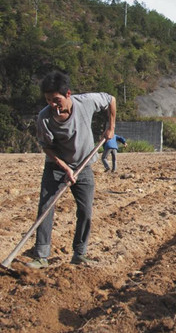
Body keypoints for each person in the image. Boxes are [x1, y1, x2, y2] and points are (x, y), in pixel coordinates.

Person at [28, 71, 116, 269]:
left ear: (68, 94)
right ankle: (41, 255)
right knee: (46, 208)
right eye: (49, 100)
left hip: (84, 164)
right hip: (56, 167)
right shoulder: (44, 117)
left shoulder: (86, 102)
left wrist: (111, 126)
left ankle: (80, 253)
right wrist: (65, 168)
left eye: (56, 99)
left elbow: (111, 99)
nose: (53, 104)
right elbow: (47, 147)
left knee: (85, 211)